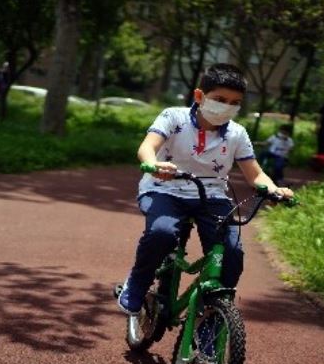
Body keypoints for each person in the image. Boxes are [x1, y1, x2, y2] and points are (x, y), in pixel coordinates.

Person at [116, 64, 294, 315]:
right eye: (220, 99)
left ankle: (212, 317)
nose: (227, 107)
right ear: (200, 96)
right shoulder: (173, 117)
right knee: (162, 234)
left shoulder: (237, 133)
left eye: (235, 103)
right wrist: (153, 164)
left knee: (231, 254)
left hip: (211, 196)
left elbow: (255, 174)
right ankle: (137, 283)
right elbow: (147, 147)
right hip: (164, 189)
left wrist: (274, 189)